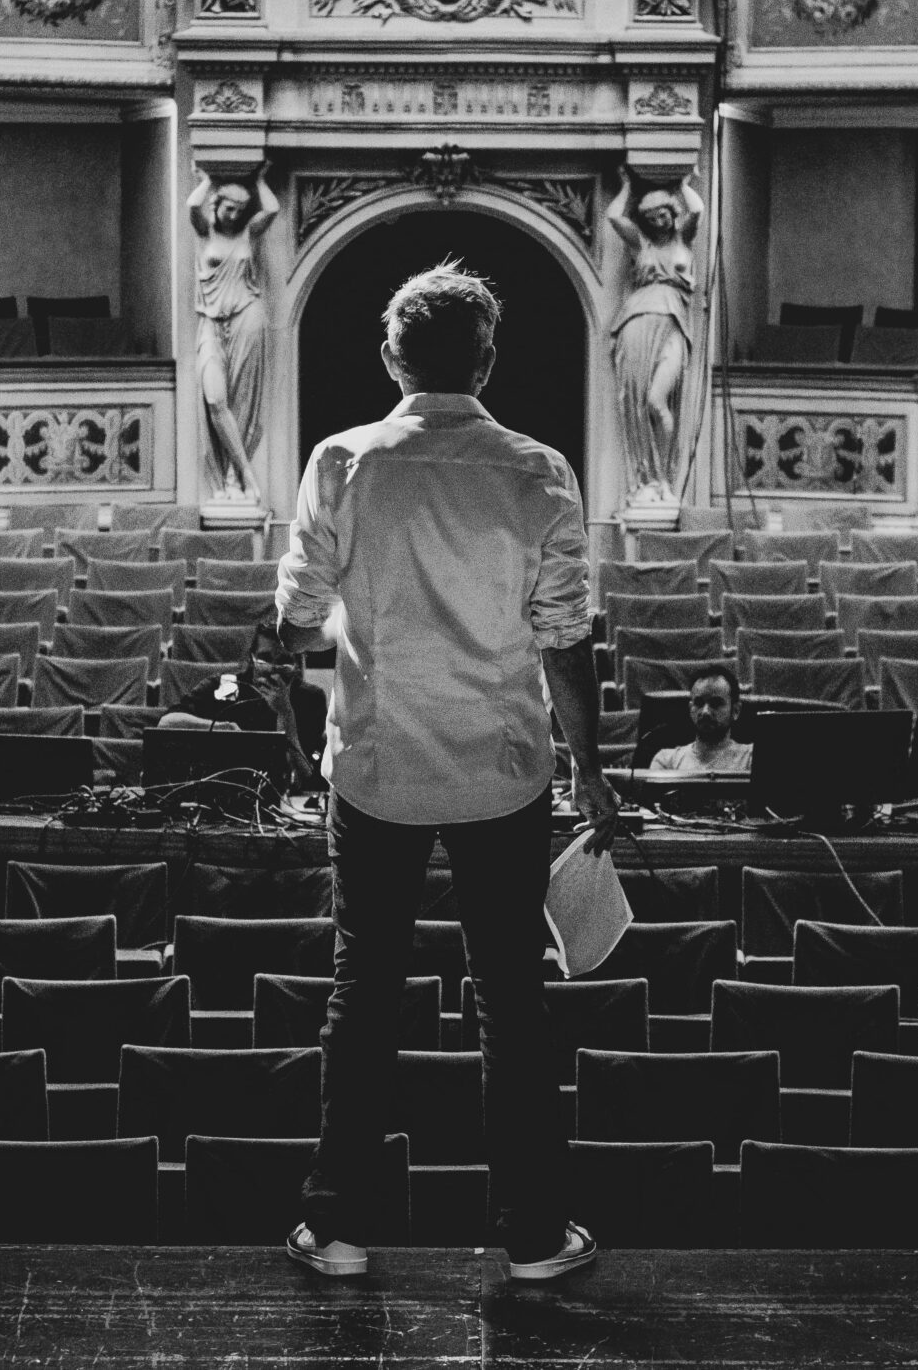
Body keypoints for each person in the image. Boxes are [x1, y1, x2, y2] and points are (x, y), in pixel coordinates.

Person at [274, 261, 615, 1283]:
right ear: (488, 360)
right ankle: (533, 1236)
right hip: (501, 773)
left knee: (364, 987)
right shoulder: (539, 472)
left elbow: (294, 621)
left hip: (375, 769)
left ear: (392, 358)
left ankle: (337, 1226)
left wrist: (329, 658)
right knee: (511, 999)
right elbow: (565, 641)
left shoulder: (342, 461)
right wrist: (592, 772)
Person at [606, 168, 707, 504]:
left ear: (671, 213)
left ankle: (664, 477)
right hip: (637, 320)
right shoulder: (641, 244)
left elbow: (697, 210)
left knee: (656, 400)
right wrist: (627, 186)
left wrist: (682, 185)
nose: (658, 222)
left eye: (662, 214)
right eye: (650, 218)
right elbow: (614, 217)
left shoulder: (683, 239)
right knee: (637, 402)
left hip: (673, 321)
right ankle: (649, 480)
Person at [188, 161, 278, 501]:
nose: (234, 215)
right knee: (215, 398)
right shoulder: (205, 231)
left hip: (246, 317)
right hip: (211, 323)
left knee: (240, 399)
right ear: (217, 205)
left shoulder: (248, 233)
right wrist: (207, 178)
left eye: (240, 210)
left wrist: (260, 180)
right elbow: (192, 206)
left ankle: (233, 477)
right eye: (229, 208)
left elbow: (272, 209)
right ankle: (246, 474)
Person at [156, 620, 328, 789]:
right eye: (264, 659)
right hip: (224, 788)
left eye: (284, 661)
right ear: (252, 658)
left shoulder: (310, 699)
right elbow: (166, 723)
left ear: (297, 664)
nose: (272, 669)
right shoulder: (223, 686)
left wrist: (285, 713)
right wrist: (221, 728)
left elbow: (305, 778)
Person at [649, 665, 751, 773]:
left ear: (735, 711)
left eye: (716, 703)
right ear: (690, 709)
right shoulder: (667, 761)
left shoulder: (751, 758)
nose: (705, 712)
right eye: (699, 703)